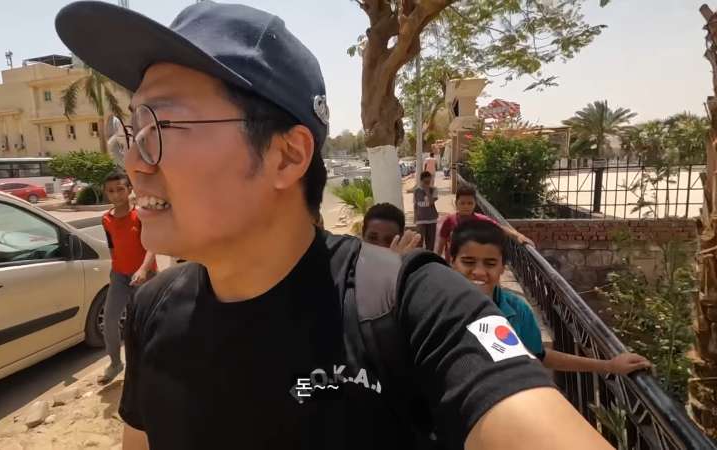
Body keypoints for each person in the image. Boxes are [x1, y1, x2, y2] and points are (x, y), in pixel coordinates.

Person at [56, 2, 613, 449]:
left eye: (159, 125)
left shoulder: (415, 307)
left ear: (286, 156)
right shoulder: (152, 310)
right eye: (131, 130)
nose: (133, 162)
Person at [449, 220, 652, 375]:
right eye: (468, 262)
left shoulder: (517, 311)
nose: (479, 272)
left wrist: (608, 366)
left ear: (503, 267)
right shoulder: (439, 307)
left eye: (490, 264)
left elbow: (539, 355)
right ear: (452, 262)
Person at [98, 170, 156, 385]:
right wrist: (114, 270)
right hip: (120, 276)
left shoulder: (140, 214)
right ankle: (115, 363)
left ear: (129, 189)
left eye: (120, 189)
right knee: (110, 320)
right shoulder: (106, 219)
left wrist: (143, 269)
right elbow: (112, 247)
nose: (115, 194)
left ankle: (148, 364)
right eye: (110, 191)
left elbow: (152, 244)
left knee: (143, 322)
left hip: (145, 275)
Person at [435, 184, 534, 261]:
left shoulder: (480, 219)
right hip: (452, 264)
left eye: (470, 203)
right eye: (462, 203)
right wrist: (437, 261)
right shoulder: (449, 220)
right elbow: (442, 243)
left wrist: (518, 236)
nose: (466, 206)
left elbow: (499, 227)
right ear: (456, 203)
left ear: (475, 204)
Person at [413, 171, 439, 251]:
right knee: (419, 241)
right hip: (420, 219)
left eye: (429, 181)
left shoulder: (434, 189)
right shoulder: (416, 191)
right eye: (425, 182)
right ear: (421, 181)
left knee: (430, 242)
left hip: (432, 219)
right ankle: (419, 255)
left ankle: (429, 256)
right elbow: (415, 205)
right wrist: (415, 217)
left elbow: (431, 202)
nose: (427, 183)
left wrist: (427, 191)